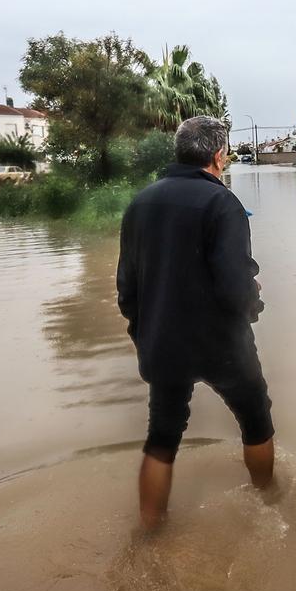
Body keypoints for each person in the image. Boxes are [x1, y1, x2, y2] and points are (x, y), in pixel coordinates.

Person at [116, 115, 274, 529]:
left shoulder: (141, 202)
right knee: (256, 417)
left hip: (163, 341)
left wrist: (143, 332)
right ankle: (267, 503)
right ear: (219, 155)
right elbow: (235, 283)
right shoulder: (223, 203)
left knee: (162, 436)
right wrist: (253, 306)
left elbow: (127, 286)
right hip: (221, 342)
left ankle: (150, 528)